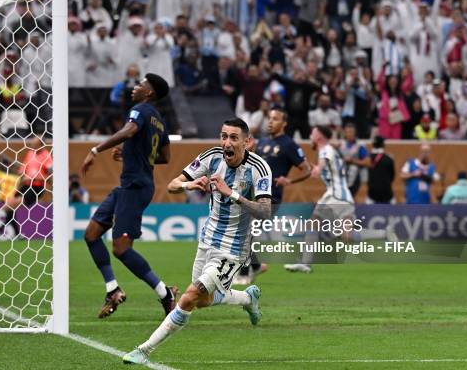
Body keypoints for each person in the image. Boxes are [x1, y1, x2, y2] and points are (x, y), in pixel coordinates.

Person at [123, 118, 272, 364]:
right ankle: (247, 298)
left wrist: (232, 194)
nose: (227, 142)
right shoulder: (211, 157)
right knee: (203, 301)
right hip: (207, 240)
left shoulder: (259, 168)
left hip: (233, 248)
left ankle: (144, 350)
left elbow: (266, 210)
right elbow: (172, 185)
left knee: (189, 297)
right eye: (224, 136)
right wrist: (190, 184)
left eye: (234, 138)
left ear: (247, 142)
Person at [80, 74, 177, 319]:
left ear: (150, 93)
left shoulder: (141, 110)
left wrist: (96, 149)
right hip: (130, 186)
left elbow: (129, 130)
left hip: (135, 187)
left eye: (141, 84)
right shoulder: (159, 121)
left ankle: (165, 293)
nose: (135, 87)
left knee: (121, 249)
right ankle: (113, 289)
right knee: (91, 234)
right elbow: (165, 157)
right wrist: (130, 153)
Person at [235, 108, 311, 285]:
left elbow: (307, 169)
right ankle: (257, 266)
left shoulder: (289, 144)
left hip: (271, 197)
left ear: (284, 124)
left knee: (247, 231)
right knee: (245, 232)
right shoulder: (261, 142)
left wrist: (289, 180)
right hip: (253, 194)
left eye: (275, 119)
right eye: (269, 118)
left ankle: (245, 275)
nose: (270, 122)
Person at [285, 126, 354, 273]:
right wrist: (291, 181)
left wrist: (318, 168)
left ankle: (384, 234)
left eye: (312, 133)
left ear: (319, 136)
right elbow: (316, 170)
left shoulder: (326, 149)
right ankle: (305, 263)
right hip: (336, 194)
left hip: (337, 195)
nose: (310, 136)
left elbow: (320, 167)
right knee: (318, 225)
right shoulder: (328, 150)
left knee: (346, 235)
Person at [0, 135, 52, 238]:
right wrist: (23, 177)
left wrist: (33, 178)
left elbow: (50, 176)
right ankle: (15, 234)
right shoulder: (30, 153)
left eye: (34, 141)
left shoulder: (47, 156)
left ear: (40, 144)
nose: (31, 143)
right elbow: (22, 171)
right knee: (9, 206)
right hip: (25, 186)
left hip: (37, 188)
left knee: (12, 205)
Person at [340, 123, 370, 197]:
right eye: (347, 132)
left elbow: (367, 162)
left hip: (356, 177)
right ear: (344, 133)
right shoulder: (341, 145)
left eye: (351, 132)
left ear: (355, 133)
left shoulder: (360, 145)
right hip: (342, 176)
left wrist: (353, 161)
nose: (349, 134)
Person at [366, 136, 395, 204]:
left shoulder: (367, 159)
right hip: (387, 193)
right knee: (393, 211)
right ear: (383, 145)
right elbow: (392, 176)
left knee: (367, 213)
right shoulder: (389, 159)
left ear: (372, 145)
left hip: (372, 193)